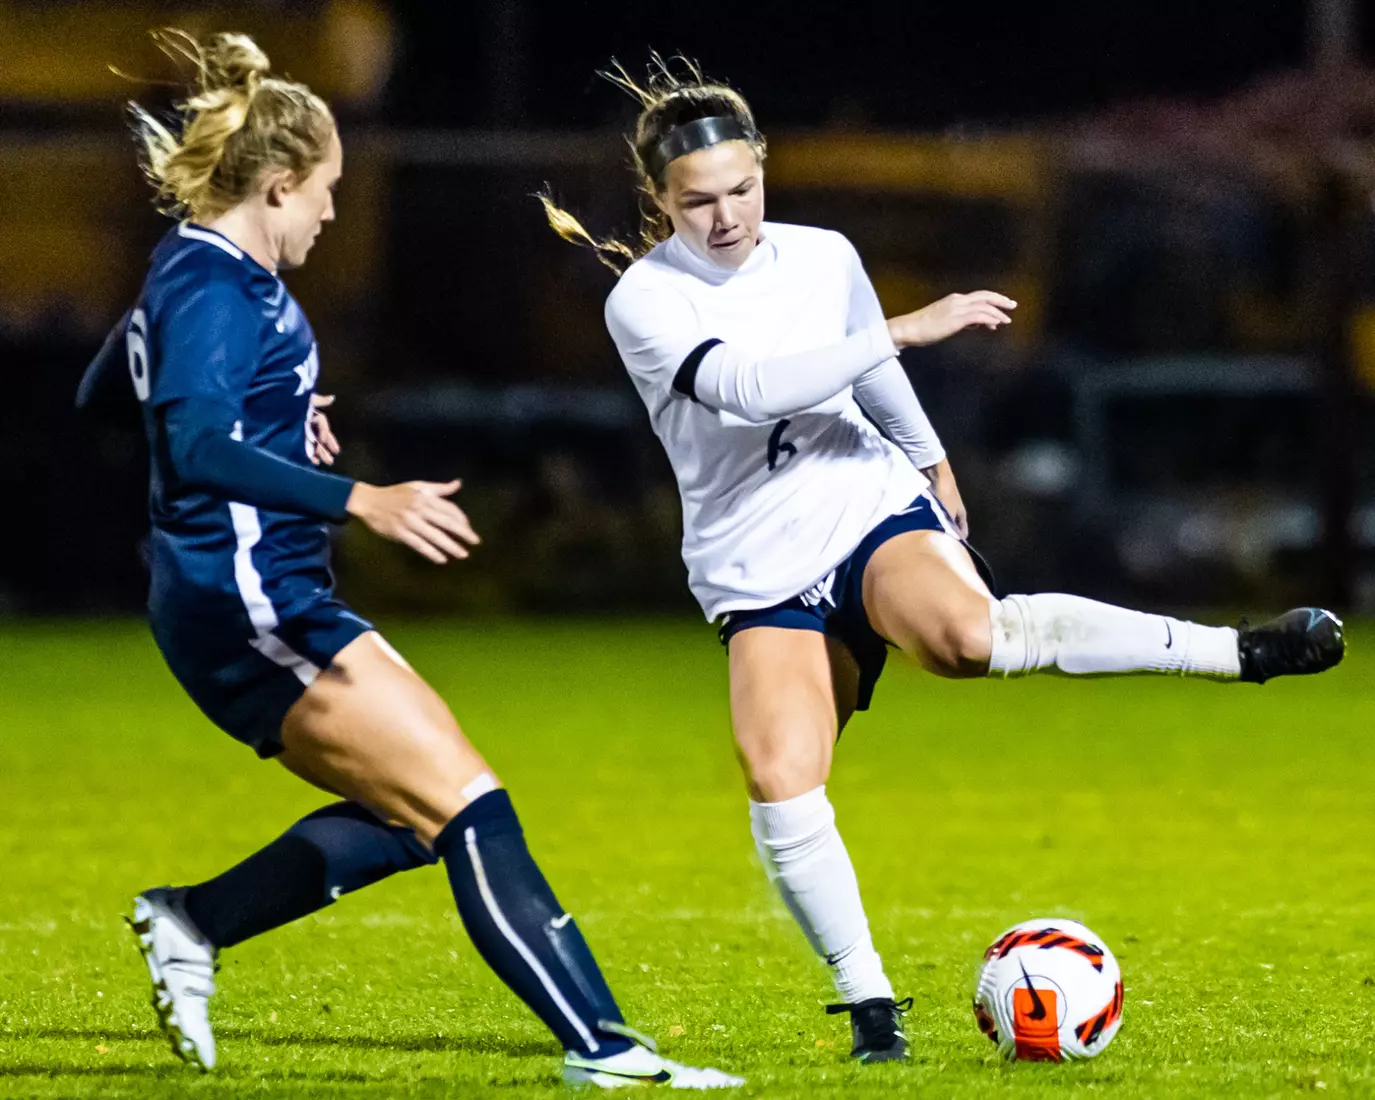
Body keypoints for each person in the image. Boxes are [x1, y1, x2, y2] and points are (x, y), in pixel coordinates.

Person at [543, 57, 1346, 1064]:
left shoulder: (821, 254)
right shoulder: (646, 301)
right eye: (697, 200)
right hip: (754, 566)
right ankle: (869, 1001)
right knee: (781, 773)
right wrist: (903, 328)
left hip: (861, 501)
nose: (725, 217)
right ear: (659, 200)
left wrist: (928, 457)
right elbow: (745, 387)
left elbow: (868, 373)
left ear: (763, 171)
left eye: (741, 189)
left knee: (971, 638)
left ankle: (1238, 652)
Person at [77, 31, 741, 1090]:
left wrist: (280, 410)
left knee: (413, 815)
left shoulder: (189, 264)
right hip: (245, 601)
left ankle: (194, 919)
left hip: (253, 592)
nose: (335, 211)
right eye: (327, 190)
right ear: (280, 185)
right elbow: (194, 448)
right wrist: (362, 496)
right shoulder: (221, 288)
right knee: (468, 805)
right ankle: (603, 1049)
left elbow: (107, 395)